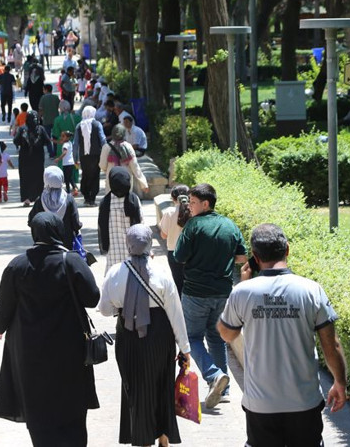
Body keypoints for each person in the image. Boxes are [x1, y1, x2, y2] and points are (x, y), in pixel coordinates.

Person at [218, 223, 348, 446]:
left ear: (255, 257)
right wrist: (340, 382)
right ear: (287, 249)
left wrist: (243, 286)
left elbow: (227, 334)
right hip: (304, 401)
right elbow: (332, 345)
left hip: (260, 404)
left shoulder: (242, 292)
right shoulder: (311, 290)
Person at [0, 212, 100, 447]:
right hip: (69, 350)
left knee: (38, 412)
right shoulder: (71, 261)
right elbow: (92, 298)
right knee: (73, 411)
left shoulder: (18, 265)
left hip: (30, 353)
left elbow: (4, 305)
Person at [99, 225, 192, 447]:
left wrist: (122, 307)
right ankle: (163, 437)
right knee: (162, 384)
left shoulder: (115, 272)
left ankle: (142, 439)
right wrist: (185, 348)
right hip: (160, 335)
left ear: (128, 244)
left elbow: (104, 309)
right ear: (150, 243)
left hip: (128, 335)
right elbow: (175, 313)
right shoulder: (161, 273)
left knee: (135, 387)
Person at [173, 183, 247, 409]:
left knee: (191, 338)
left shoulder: (193, 225)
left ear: (205, 204)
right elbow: (242, 257)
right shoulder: (229, 225)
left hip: (195, 293)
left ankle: (214, 375)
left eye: (193, 202)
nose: (190, 206)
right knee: (216, 338)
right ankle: (223, 390)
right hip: (223, 292)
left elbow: (179, 256)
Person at [98, 167, 142, 275]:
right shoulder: (133, 200)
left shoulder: (105, 202)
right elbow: (142, 225)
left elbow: (102, 227)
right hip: (132, 250)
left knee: (114, 279)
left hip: (113, 252)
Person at [28, 166, 81, 250]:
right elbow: (76, 224)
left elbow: (31, 221)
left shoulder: (41, 200)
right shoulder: (69, 199)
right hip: (66, 246)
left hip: (45, 245)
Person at [13, 111, 52, 207]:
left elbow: (16, 141)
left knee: (25, 178)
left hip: (25, 158)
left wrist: (23, 144)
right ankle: (38, 197)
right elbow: (47, 141)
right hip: (38, 157)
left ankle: (26, 199)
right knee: (38, 177)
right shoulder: (41, 129)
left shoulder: (22, 129)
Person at [159, 185, 190, 294]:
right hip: (191, 253)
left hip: (174, 253)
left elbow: (163, 235)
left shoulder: (169, 212)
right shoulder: (193, 211)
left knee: (178, 283)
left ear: (173, 198)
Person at [100, 125, 148, 194]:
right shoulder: (128, 146)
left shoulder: (106, 147)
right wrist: (143, 184)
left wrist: (108, 170)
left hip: (111, 178)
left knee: (111, 198)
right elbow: (135, 167)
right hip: (126, 178)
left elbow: (102, 165)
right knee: (126, 198)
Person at [76, 105, 106, 207]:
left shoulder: (79, 126)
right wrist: (106, 152)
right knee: (95, 175)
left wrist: (75, 157)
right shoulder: (97, 125)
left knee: (85, 174)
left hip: (83, 156)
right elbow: (102, 140)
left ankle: (86, 197)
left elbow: (75, 144)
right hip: (96, 155)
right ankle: (92, 198)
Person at [38, 84, 60, 154]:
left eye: (43, 89)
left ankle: (51, 153)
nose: (43, 91)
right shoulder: (56, 97)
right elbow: (59, 107)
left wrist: (38, 118)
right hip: (56, 120)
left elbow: (41, 110)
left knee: (47, 137)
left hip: (46, 120)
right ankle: (56, 151)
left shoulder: (43, 98)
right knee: (55, 136)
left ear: (46, 90)